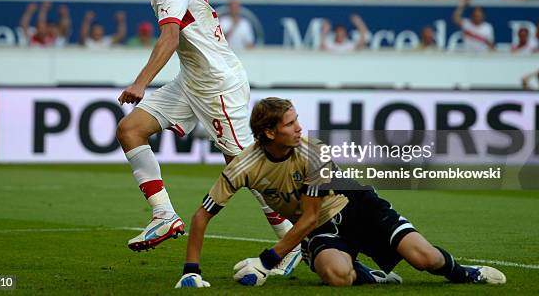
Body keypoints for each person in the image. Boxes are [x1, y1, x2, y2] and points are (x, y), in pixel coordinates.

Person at [112, 0, 300, 273]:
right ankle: (164, 215)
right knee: (130, 130)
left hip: (216, 84)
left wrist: (140, 83)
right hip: (192, 80)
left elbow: (169, 38)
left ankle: (290, 239)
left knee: (245, 167)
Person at [175, 97, 507, 288]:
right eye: (290, 124)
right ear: (269, 132)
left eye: (297, 120)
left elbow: (305, 217)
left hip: (356, 205)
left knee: (426, 259)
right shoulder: (243, 166)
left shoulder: (313, 152)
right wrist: (191, 271)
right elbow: (201, 215)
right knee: (338, 277)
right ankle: (371, 277)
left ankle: (467, 273)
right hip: (321, 227)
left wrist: (266, 261)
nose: (299, 127)